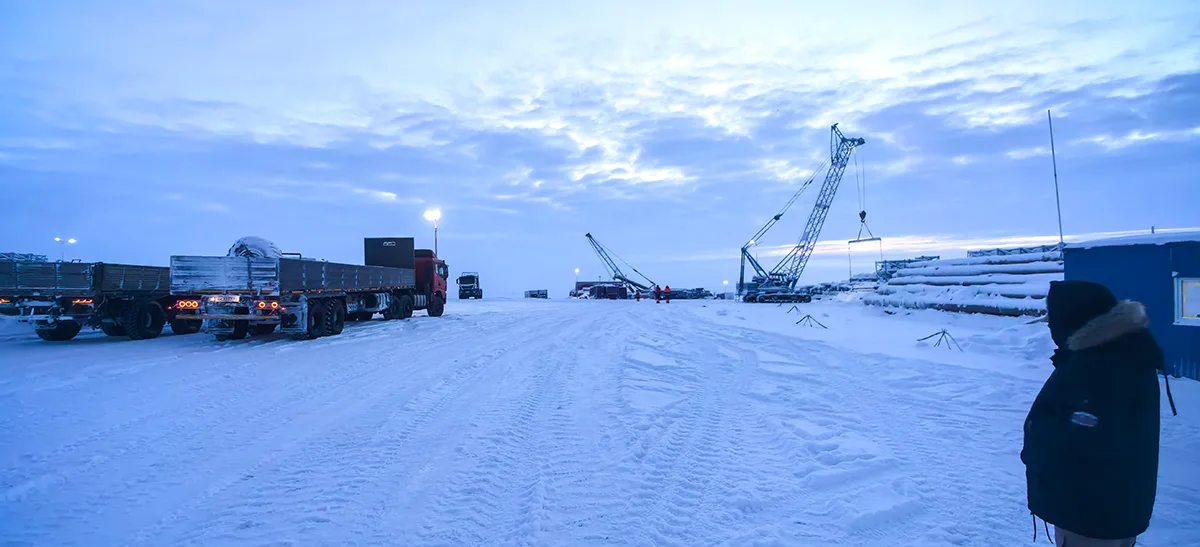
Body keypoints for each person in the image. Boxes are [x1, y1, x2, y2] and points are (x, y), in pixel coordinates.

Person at [1022, 280, 1176, 547]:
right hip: (1114, 506)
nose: (1050, 327)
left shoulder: (1098, 365)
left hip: (1090, 512)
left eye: (1053, 320)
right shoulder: (1122, 350)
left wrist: (1037, 444)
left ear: (1075, 318)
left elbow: (1084, 436)